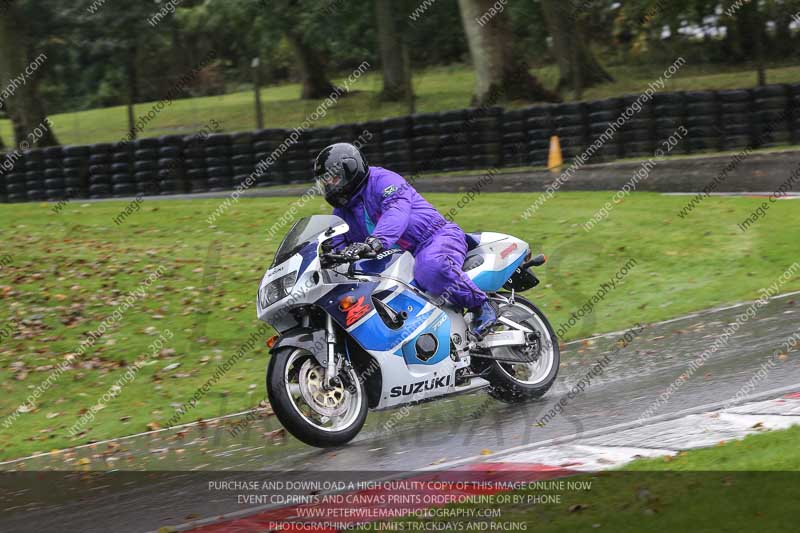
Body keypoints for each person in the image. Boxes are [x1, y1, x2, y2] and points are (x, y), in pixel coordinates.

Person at [313, 142, 497, 337]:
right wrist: (330, 257)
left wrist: (376, 241)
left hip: (434, 237)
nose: (329, 185)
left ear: (350, 169)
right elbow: (338, 243)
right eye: (325, 182)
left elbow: (396, 211)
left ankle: (482, 305)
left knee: (431, 267)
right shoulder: (341, 210)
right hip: (392, 259)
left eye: (333, 179)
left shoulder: (383, 180)